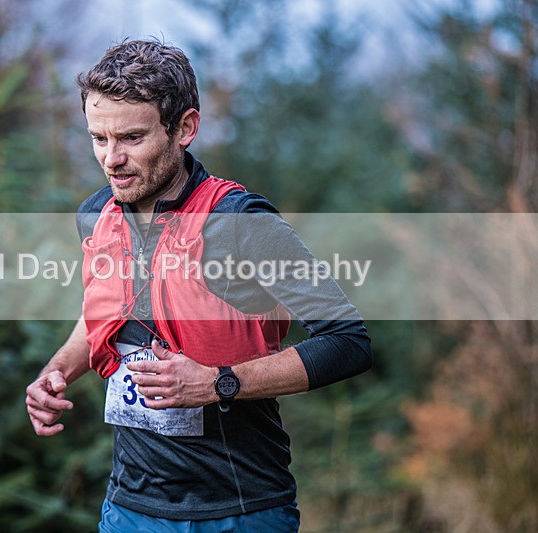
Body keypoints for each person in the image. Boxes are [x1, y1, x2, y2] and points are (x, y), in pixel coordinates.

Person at [25, 39, 372, 532]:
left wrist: (216, 383)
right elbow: (108, 314)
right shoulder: (94, 216)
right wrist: (56, 372)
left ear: (184, 128)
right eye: (99, 139)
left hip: (239, 508)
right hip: (130, 508)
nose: (111, 158)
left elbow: (348, 343)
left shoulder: (240, 222)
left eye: (131, 138)